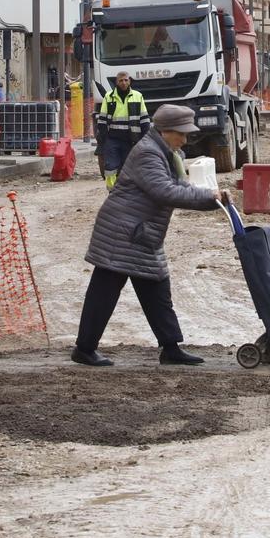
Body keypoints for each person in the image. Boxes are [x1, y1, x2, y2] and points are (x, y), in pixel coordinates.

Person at [73, 104, 227, 367]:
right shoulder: (148, 153)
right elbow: (165, 192)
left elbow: (179, 186)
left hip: (139, 232)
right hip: (123, 232)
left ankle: (170, 347)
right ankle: (85, 349)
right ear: (166, 131)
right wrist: (208, 198)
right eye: (182, 133)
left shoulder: (164, 152)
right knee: (105, 291)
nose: (185, 139)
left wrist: (210, 199)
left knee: (156, 286)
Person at [96, 70, 149, 187]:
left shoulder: (138, 96)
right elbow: (102, 120)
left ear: (129, 81)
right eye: (121, 80)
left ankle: (127, 191)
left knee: (129, 167)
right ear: (116, 82)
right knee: (110, 167)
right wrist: (104, 140)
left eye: (126, 80)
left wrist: (145, 138)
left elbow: (144, 120)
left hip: (131, 139)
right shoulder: (109, 97)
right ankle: (112, 191)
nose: (124, 83)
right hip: (112, 140)